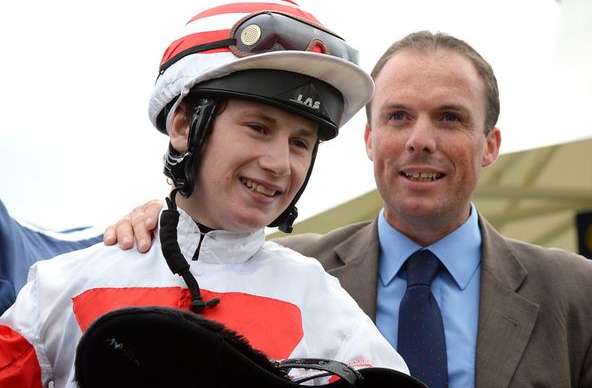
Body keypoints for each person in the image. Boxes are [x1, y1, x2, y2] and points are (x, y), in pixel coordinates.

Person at [0, 0, 411, 388]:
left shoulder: (324, 304)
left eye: (300, 143)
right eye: (259, 128)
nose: (280, 163)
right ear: (183, 124)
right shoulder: (63, 286)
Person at [108, 31, 592, 388]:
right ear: (369, 139)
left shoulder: (578, 293)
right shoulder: (281, 270)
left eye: (449, 117)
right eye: (398, 116)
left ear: (490, 145)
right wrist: (168, 224)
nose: (420, 141)